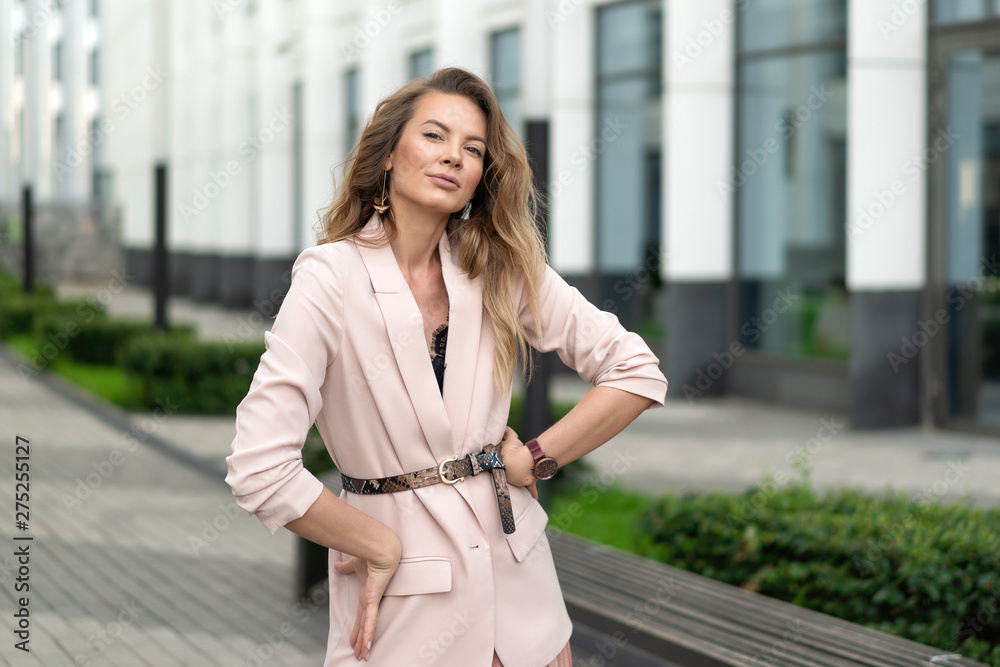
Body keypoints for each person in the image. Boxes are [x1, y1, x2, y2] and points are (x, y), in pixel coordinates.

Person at [225, 67, 668, 666]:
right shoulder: (329, 278)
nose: (454, 156)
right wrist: (375, 542)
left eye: (473, 148)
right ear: (387, 155)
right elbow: (260, 467)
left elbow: (635, 370)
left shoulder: (499, 267)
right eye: (434, 136)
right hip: (407, 599)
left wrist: (538, 455)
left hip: (522, 591)